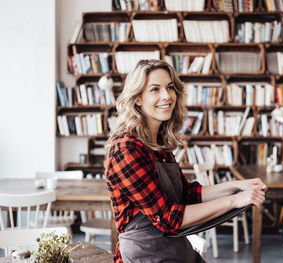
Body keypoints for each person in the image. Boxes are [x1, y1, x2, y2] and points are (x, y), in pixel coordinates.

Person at [104, 59, 267, 263]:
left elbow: (187, 194)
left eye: (170, 87)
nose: (166, 96)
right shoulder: (126, 149)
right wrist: (234, 200)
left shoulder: (157, 143)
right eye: (155, 89)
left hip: (173, 247)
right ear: (137, 98)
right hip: (145, 254)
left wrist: (236, 186)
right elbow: (167, 217)